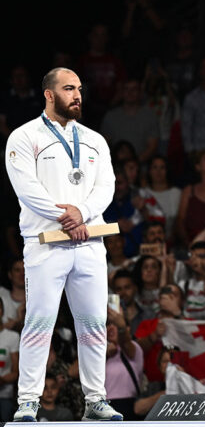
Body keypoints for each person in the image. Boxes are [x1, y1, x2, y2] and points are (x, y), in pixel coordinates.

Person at [4, 67, 123, 421]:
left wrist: (82, 213)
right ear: (49, 94)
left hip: (89, 241)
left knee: (94, 323)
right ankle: (28, 401)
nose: (77, 95)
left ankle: (96, 399)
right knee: (39, 322)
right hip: (46, 244)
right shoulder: (24, 137)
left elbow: (106, 187)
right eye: (69, 89)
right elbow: (27, 189)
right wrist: (67, 218)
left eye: (80, 89)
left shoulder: (95, 140)